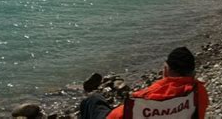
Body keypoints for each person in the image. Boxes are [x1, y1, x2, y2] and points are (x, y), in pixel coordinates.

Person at [80, 47, 209, 119]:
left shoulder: (144, 99)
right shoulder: (198, 92)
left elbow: (114, 117)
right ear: (192, 72)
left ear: (166, 69)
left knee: (92, 101)